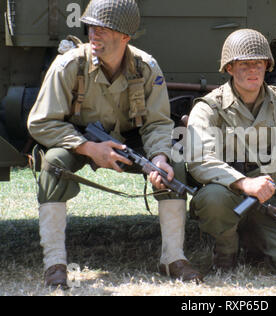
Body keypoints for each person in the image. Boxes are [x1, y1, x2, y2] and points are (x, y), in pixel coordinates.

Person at [27, 0, 202, 287]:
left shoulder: (146, 67)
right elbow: (40, 122)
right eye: (91, 27)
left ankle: (173, 258)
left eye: (104, 29)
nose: (94, 35)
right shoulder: (69, 65)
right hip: (80, 139)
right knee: (54, 164)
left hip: (128, 139)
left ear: (125, 37)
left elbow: (158, 122)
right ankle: (55, 264)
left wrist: (158, 158)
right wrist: (88, 148)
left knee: (174, 170)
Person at [186, 29, 276, 273]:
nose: (252, 70)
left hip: (269, 199)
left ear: (267, 66)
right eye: (244, 64)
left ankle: (251, 242)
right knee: (212, 199)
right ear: (229, 68)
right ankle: (225, 251)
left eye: (258, 64)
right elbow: (199, 160)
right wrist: (244, 183)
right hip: (228, 196)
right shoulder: (209, 108)